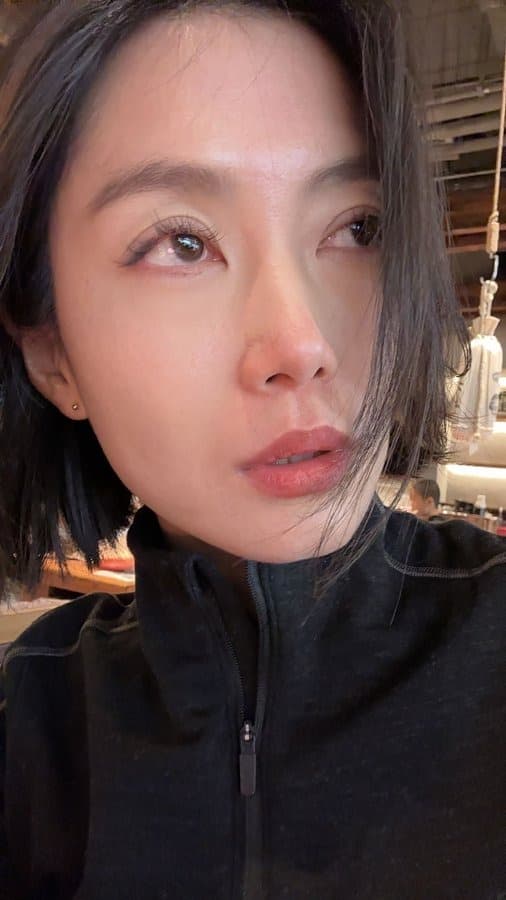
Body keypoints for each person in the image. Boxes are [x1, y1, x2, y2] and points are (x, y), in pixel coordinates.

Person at [0, 2, 504, 898]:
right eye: (182, 242)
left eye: (360, 227)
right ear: (52, 355)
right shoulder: (30, 727)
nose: (302, 343)